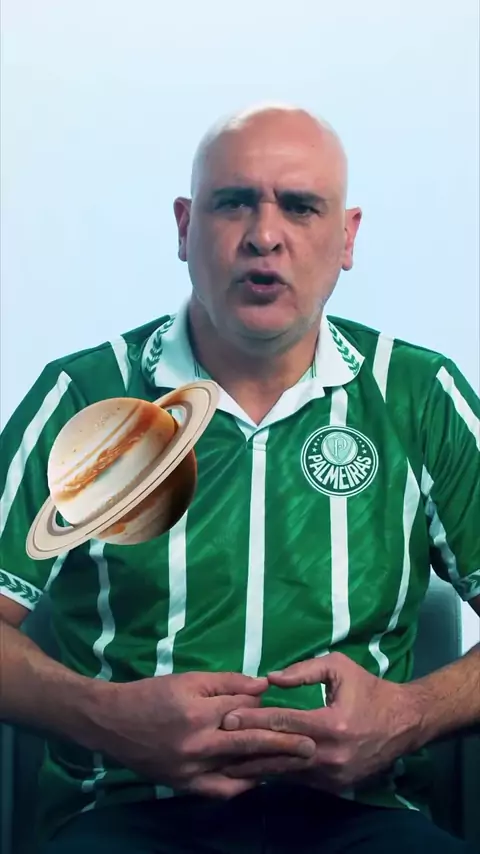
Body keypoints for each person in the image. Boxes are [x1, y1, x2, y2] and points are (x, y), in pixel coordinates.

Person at [0, 104, 479, 854]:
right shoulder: (85, 400)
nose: (264, 235)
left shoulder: (419, 396)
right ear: (184, 226)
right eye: (233, 203)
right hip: (127, 815)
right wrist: (107, 717)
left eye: (300, 206)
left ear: (347, 237)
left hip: (365, 818)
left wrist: (408, 715)